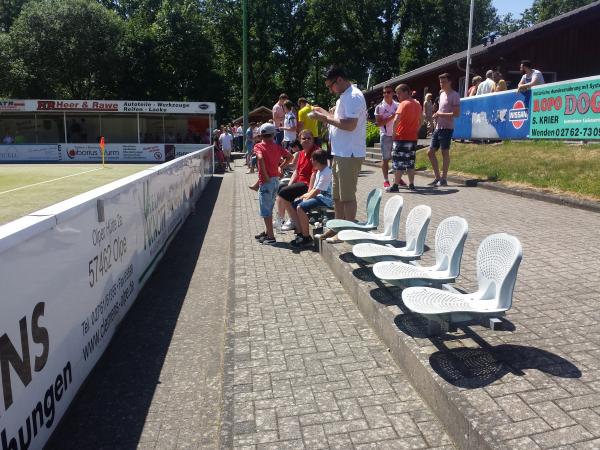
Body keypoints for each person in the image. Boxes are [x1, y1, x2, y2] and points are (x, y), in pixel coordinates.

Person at [310, 66, 367, 241]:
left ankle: (348, 232)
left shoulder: (354, 96)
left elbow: (350, 125)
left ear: (340, 80)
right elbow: (339, 120)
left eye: (331, 85)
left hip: (349, 153)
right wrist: (325, 113)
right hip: (340, 152)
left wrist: (325, 118)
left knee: (347, 196)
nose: (330, 89)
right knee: (337, 196)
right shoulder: (344, 96)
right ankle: (337, 228)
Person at [253, 123, 293, 245]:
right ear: (274, 135)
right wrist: (280, 167)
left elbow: (260, 158)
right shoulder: (277, 147)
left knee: (265, 211)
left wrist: (264, 175)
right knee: (269, 207)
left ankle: (271, 237)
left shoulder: (258, 146)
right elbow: (290, 157)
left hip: (266, 182)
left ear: (261, 135)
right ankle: (267, 232)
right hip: (275, 181)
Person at [275, 129, 318, 232]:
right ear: (300, 140)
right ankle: (281, 219)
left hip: (308, 185)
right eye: (304, 138)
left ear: (313, 140)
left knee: (284, 193)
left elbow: (315, 173)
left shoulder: (316, 152)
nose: (306, 140)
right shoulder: (301, 153)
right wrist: (290, 184)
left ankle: (293, 220)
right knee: (281, 187)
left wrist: (310, 192)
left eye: (309, 138)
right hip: (300, 182)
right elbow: (296, 172)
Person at [289, 149, 333, 248]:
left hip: (326, 199)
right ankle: (300, 232)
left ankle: (306, 238)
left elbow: (317, 191)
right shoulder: (320, 171)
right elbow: (313, 188)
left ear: (316, 161)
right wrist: (304, 196)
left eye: (312, 160)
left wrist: (306, 198)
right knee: (294, 204)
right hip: (319, 196)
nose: (311, 162)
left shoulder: (327, 172)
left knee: (300, 207)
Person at [428, 73, 460, 187]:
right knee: (430, 152)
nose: (441, 84)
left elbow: (456, 114)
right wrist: (436, 115)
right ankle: (437, 177)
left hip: (447, 128)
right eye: (440, 82)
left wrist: (441, 114)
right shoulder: (441, 95)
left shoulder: (454, 95)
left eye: (444, 81)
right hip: (438, 127)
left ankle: (444, 178)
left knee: (444, 152)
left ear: (450, 82)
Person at [387, 84, 422, 192]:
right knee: (410, 163)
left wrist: (393, 133)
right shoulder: (417, 104)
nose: (398, 96)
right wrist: (416, 129)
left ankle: (395, 186)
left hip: (401, 137)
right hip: (412, 138)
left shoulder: (403, 104)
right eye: (396, 93)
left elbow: (396, 119)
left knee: (399, 163)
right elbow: (422, 120)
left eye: (399, 93)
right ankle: (411, 185)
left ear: (407, 92)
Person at [374, 85, 400, 189]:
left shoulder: (398, 105)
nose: (386, 94)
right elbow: (379, 123)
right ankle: (386, 180)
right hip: (386, 136)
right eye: (384, 92)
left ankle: (397, 178)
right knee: (385, 159)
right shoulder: (379, 107)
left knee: (397, 158)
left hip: (397, 135)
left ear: (393, 93)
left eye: (388, 92)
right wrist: (392, 117)